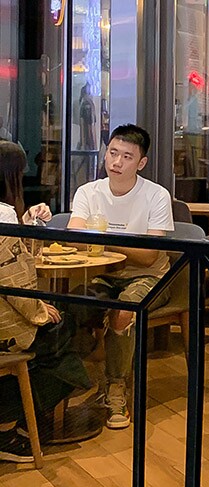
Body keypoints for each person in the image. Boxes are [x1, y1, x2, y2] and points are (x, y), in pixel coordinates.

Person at [67, 124, 174, 429]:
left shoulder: (156, 195)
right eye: (112, 153)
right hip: (105, 275)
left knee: (124, 311)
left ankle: (116, 390)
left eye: (127, 156)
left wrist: (103, 238)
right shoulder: (88, 191)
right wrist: (113, 242)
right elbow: (74, 237)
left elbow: (149, 255)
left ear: (141, 163)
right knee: (70, 305)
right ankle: (72, 377)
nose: (116, 162)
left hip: (149, 278)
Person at [0, 141, 91, 461]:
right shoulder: (4, 215)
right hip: (4, 329)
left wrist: (26, 222)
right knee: (66, 331)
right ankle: (7, 425)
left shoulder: (8, 217)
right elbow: (15, 283)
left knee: (57, 341)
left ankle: (20, 420)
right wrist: (40, 311)